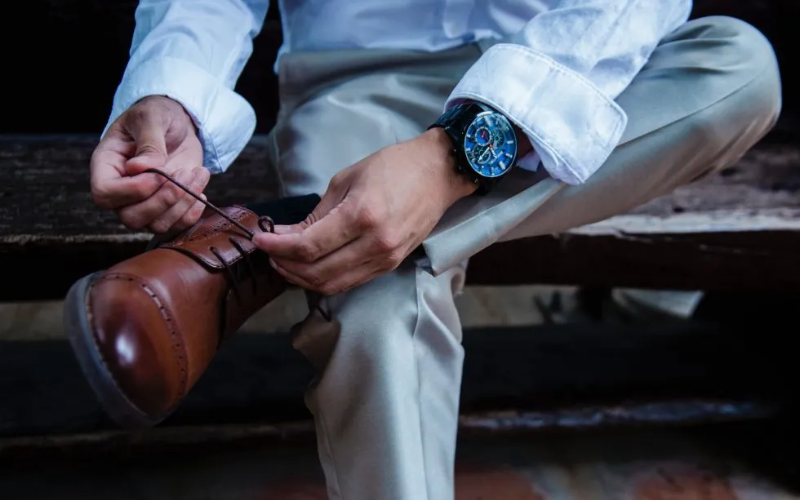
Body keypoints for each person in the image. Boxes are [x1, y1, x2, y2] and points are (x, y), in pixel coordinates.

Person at [72, 1, 781, 499]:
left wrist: (452, 157)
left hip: (571, 67)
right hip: (357, 82)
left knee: (741, 65)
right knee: (378, 317)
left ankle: (275, 237)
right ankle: (340, 226)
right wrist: (173, 93)